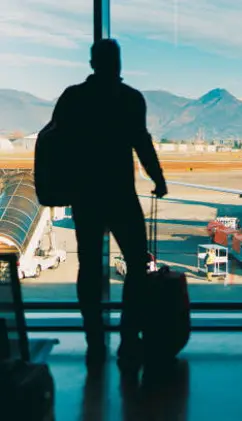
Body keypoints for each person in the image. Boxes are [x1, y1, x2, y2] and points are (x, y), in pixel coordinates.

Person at [49, 39, 167, 370]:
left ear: (91, 63)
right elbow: (142, 143)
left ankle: (94, 340)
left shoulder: (73, 98)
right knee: (137, 266)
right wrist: (158, 179)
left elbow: (54, 144)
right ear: (118, 63)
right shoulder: (130, 99)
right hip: (120, 195)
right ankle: (129, 339)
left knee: (88, 270)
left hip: (85, 197)